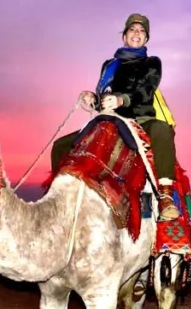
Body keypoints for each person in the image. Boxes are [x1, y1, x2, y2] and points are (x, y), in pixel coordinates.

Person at [50, 13, 180, 221]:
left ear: (146, 39)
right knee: (60, 146)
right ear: (125, 35)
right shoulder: (109, 65)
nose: (136, 34)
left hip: (138, 118)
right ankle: (59, 199)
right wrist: (93, 98)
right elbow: (104, 95)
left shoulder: (152, 63)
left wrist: (122, 100)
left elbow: (146, 90)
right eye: (132, 30)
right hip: (108, 119)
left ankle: (165, 197)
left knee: (162, 130)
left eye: (141, 31)